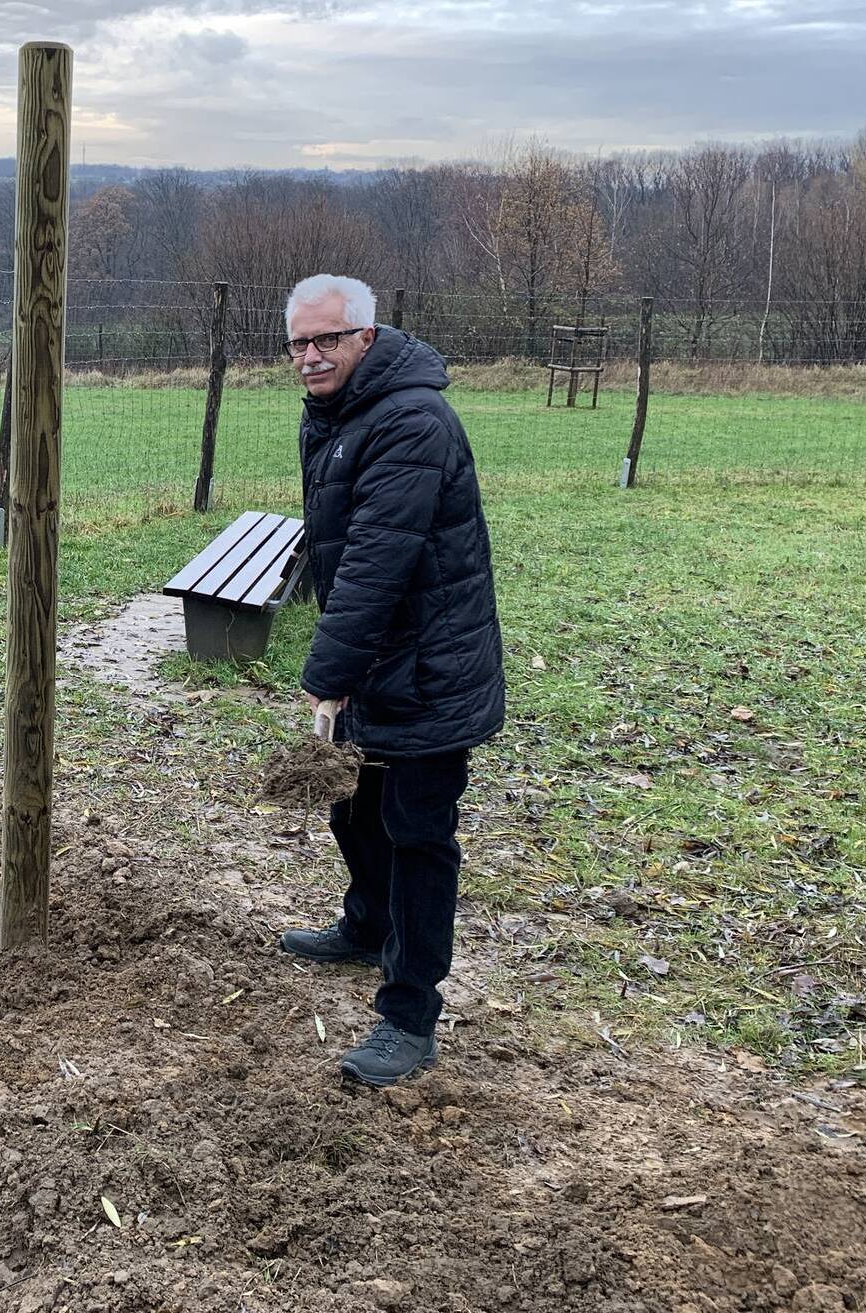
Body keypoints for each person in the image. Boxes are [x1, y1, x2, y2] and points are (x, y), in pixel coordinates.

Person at [277, 274, 505, 1086]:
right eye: (299, 342)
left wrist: (325, 673)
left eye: (327, 340)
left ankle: (409, 1014)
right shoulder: (339, 414)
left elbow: (377, 559)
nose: (310, 356)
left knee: (416, 835)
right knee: (355, 810)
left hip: (429, 674)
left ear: (366, 338)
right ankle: (366, 927)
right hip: (381, 663)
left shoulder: (411, 419)